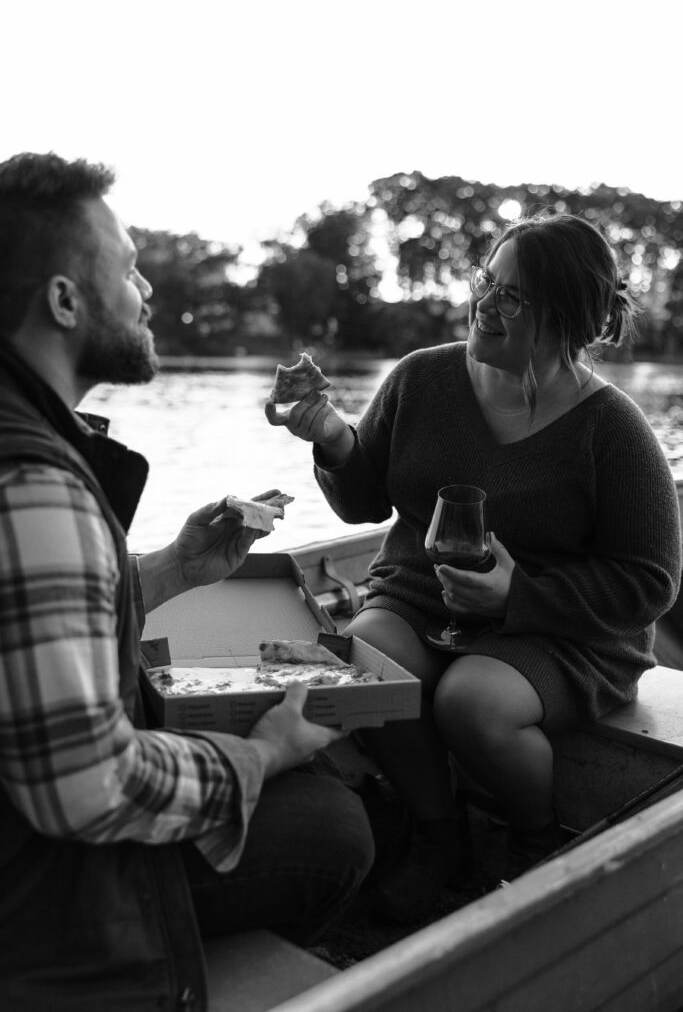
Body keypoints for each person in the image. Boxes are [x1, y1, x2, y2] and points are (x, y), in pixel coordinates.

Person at [0, 152, 375, 1012]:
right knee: (330, 825)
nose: (147, 292)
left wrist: (172, 570)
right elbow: (86, 787)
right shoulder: (35, 483)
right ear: (64, 301)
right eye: (129, 269)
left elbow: (29, 618)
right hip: (40, 906)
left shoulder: (28, 448)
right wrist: (258, 754)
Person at [265, 212, 682, 922]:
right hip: (419, 598)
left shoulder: (613, 430)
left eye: (510, 296)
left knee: (472, 702)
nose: (483, 304)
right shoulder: (421, 378)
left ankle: (532, 843)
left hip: (562, 629)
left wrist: (517, 593)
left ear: (567, 317)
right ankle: (439, 836)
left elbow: (648, 582)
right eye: (485, 280)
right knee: (366, 672)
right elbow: (363, 499)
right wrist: (332, 436)